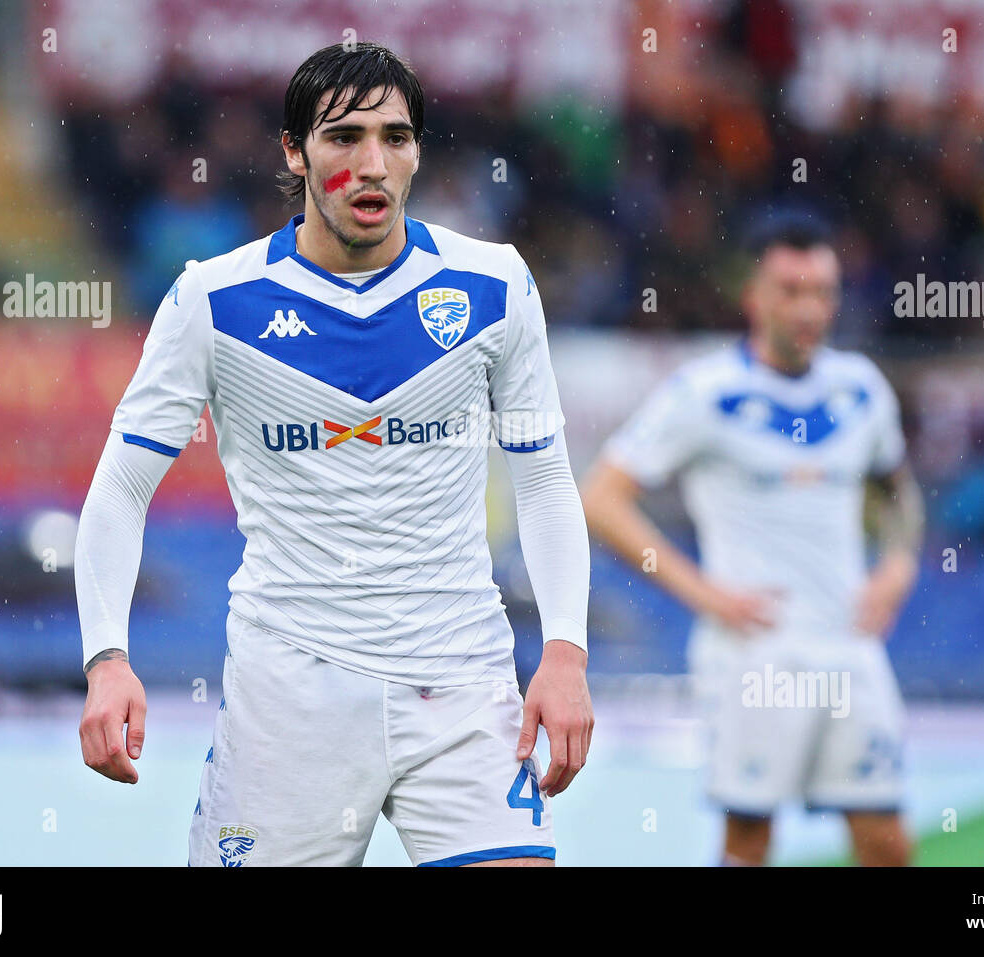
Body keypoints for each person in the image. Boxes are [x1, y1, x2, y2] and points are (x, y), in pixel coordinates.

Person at [74, 42, 592, 867]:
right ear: (293, 150)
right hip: (289, 696)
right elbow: (120, 489)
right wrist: (108, 660)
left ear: (418, 151)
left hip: (459, 684)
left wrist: (564, 651)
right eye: (343, 137)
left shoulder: (494, 284)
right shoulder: (213, 300)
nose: (372, 163)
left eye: (395, 137)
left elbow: (545, 481)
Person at [581, 218, 923, 866]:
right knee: (750, 842)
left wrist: (899, 563)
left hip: (851, 648)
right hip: (755, 656)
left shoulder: (861, 389)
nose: (808, 307)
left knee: (886, 841)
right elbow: (601, 496)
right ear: (753, 296)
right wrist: (704, 592)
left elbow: (897, 490)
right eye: (790, 289)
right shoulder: (705, 393)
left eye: (822, 291)